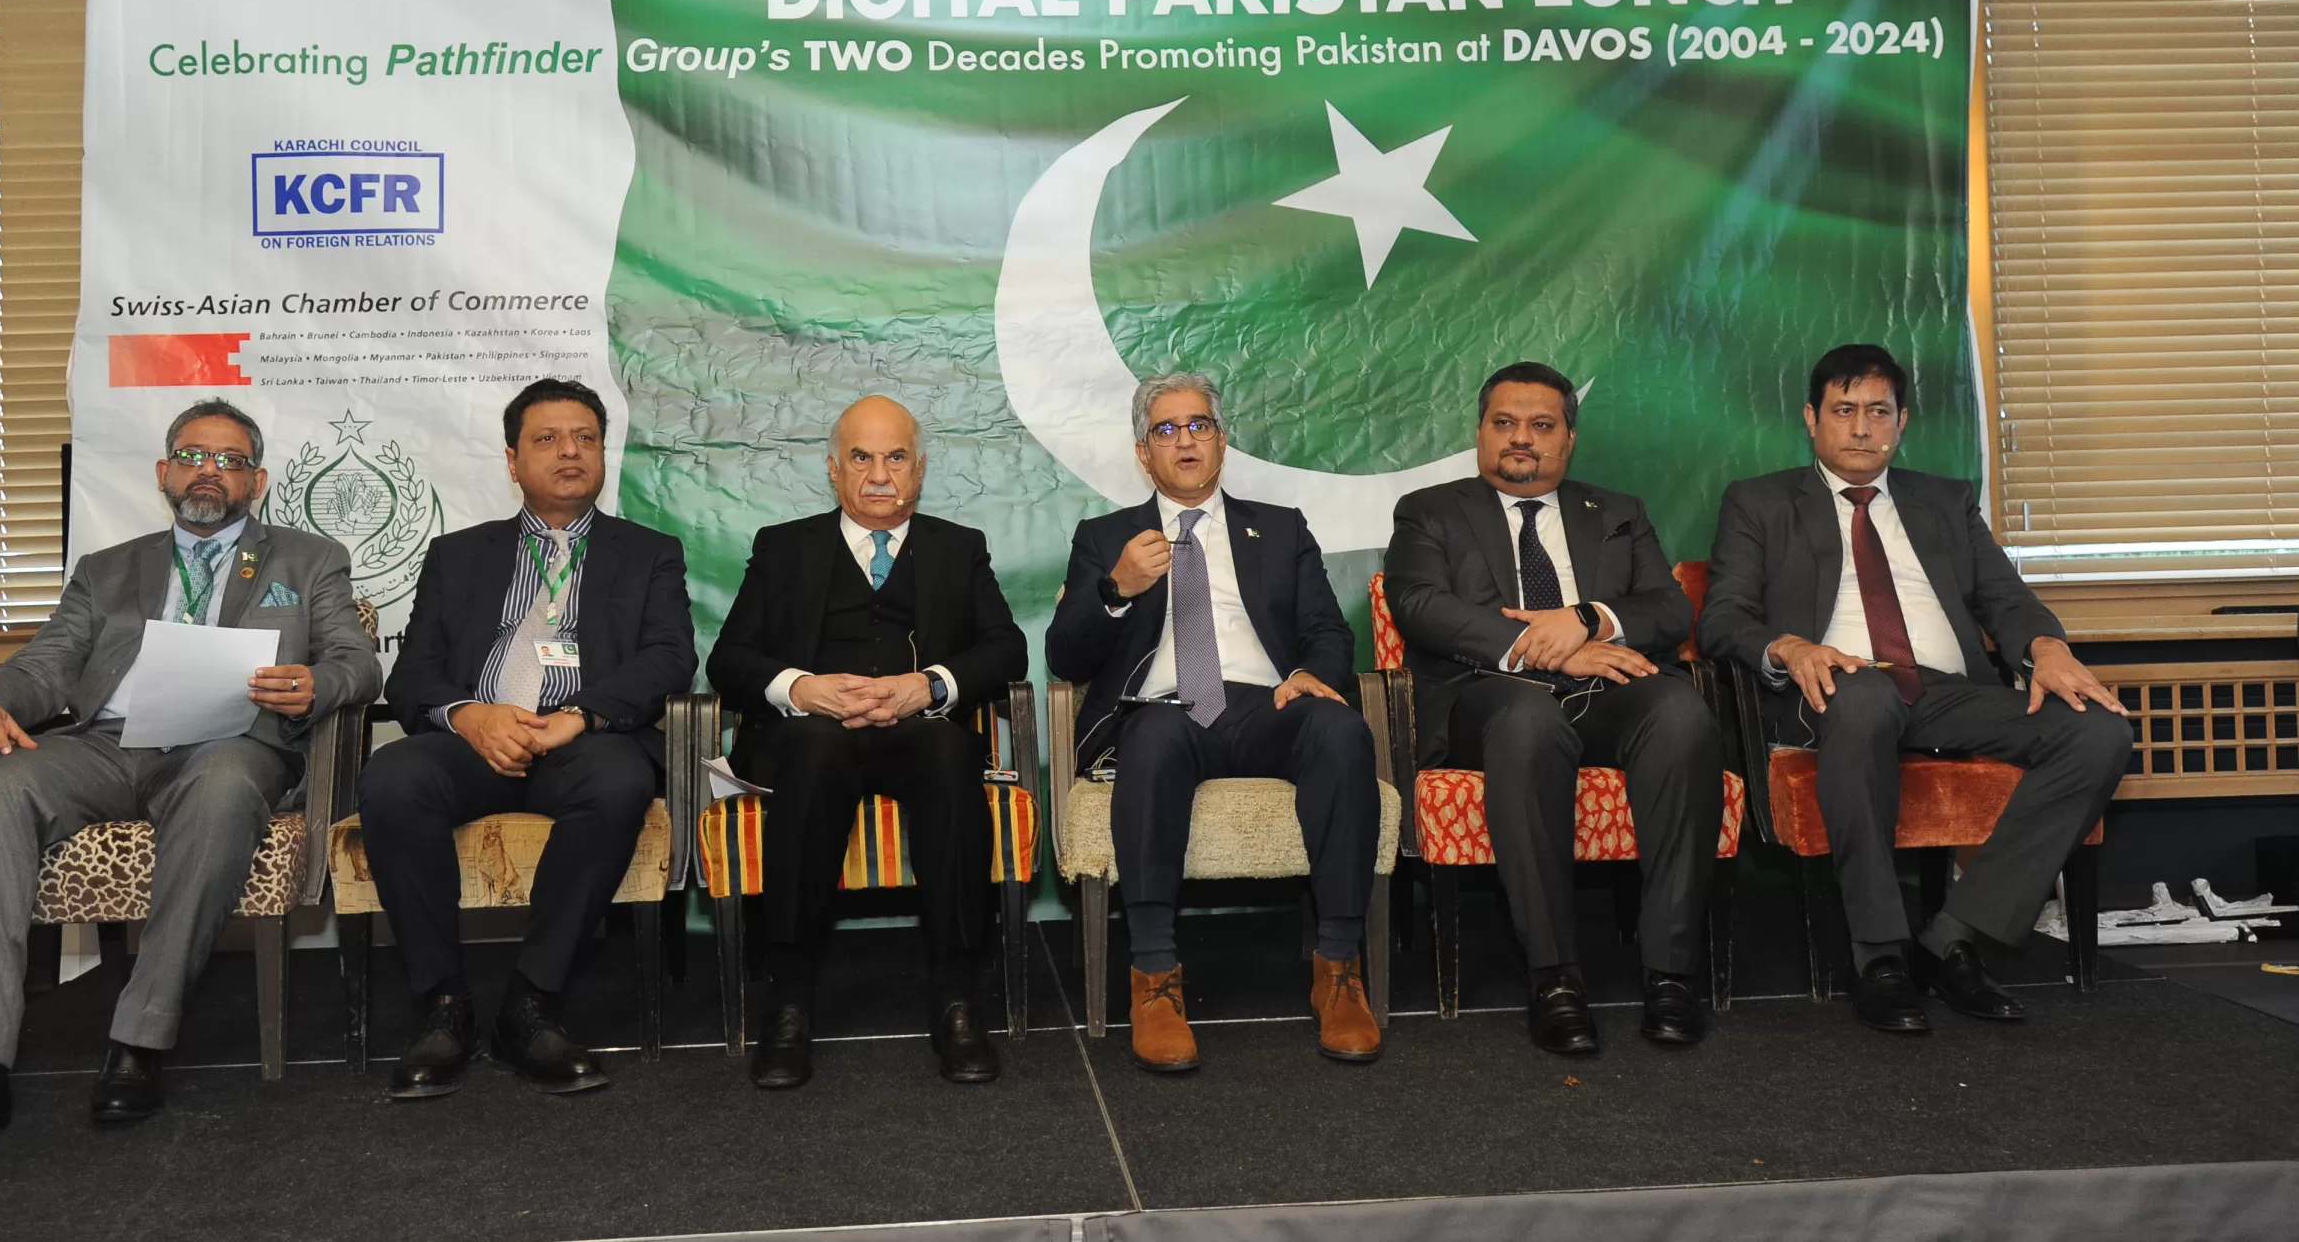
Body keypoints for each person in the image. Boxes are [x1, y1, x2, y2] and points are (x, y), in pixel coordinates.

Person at [0, 400, 379, 1154]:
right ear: (164, 472)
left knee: (221, 783)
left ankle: (139, 1039)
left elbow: (357, 662)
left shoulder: (309, 560)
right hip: (109, 744)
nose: (209, 470)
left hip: (230, 743)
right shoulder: (107, 570)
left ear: (258, 481)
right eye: (193, 455)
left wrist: (316, 684)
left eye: (231, 460)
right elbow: (47, 664)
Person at [1701, 344, 2132, 1033]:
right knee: (1864, 695)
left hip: (1946, 692)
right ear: (1812, 418)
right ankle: (1879, 955)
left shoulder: (1945, 500)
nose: (1861, 428)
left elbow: (2006, 599)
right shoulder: (1759, 502)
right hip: (1832, 689)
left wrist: (2046, 649)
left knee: (2099, 727)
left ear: (1901, 422)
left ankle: (1954, 937)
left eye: (1879, 411)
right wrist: (1789, 646)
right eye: (1844, 410)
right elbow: (1723, 618)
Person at [362, 378, 696, 1098]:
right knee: (392, 777)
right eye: (547, 439)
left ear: (602, 453)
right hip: (477, 742)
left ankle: (531, 1001)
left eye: (585, 438)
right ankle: (444, 1004)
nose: (570, 451)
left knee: (619, 778)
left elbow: (670, 656)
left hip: (583, 741)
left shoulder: (649, 552)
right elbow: (412, 674)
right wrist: (471, 715)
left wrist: (583, 713)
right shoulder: (458, 554)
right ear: (512, 461)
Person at [1045, 372, 1382, 1074]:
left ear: (1222, 441)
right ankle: (1154, 976)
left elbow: (1327, 629)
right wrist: (1115, 589)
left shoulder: (1280, 527)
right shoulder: (1106, 537)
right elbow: (1065, 656)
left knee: (1341, 729)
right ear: (1143, 453)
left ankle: (1339, 969)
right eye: (1165, 429)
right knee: (1153, 736)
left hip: (1268, 703)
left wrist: (1310, 673)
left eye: (1199, 424)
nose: (1185, 440)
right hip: (1164, 708)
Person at [1385, 362, 1721, 1055]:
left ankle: (1671, 973)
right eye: (1504, 422)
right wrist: (1547, 649)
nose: (1521, 438)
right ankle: (1555, 977)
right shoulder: (1430, 510)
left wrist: (1586, 618)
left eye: (1541, 425)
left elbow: (1667, 609)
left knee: (1681, 713)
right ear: (1480, 432)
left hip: (1609, 691)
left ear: (1568, 438)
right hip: (1488, 694)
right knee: (1528, 722)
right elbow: (1418, 604)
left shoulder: (1618, 511)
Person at [707, 395, 1029, 1091]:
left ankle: (957, 997)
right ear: (834, 469)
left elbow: (1007, 649)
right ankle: (789, 999)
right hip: (811, 734)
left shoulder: (958, 547)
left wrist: (930, 684)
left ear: (920, 468)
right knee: (816, 749)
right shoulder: (783, 546)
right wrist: (801, 687)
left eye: (895, 457)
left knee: (948, 752)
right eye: (861, 457)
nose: (879, 474)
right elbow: (729, 659)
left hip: (918, 730)